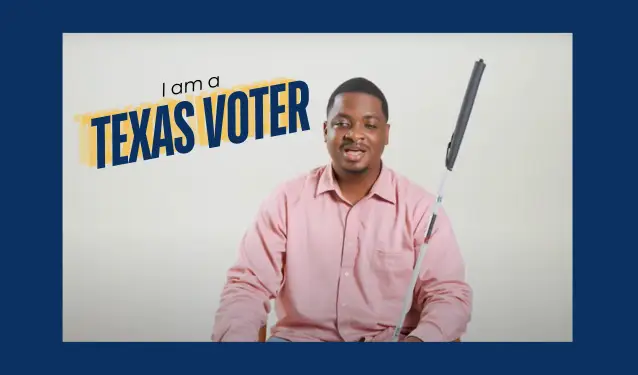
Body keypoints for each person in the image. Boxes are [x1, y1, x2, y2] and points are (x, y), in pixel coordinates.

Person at [211, 77, 472, 342]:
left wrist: (419, 343)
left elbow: (448, 295)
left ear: (386, 134)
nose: (355, 134)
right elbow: (247, 287)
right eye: (342, 123)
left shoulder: (420, 210)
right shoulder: (286, 201)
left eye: (369, 125)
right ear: (325, 131)